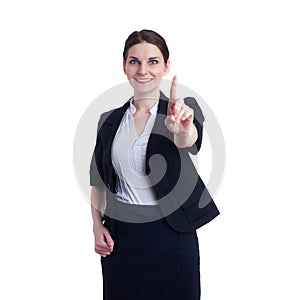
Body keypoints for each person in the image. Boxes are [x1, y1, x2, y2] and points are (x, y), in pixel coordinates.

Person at [89, 29, 220, 300]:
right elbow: (98, 181)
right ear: (124, 66)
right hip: (121, 238)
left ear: (166, 66)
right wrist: (96, 225)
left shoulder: (182, 110)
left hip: (171, 234)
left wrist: (181, 128)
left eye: (153, 61)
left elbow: (188, 140)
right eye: (134, 61)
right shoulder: (108, 120)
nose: (142, 70)